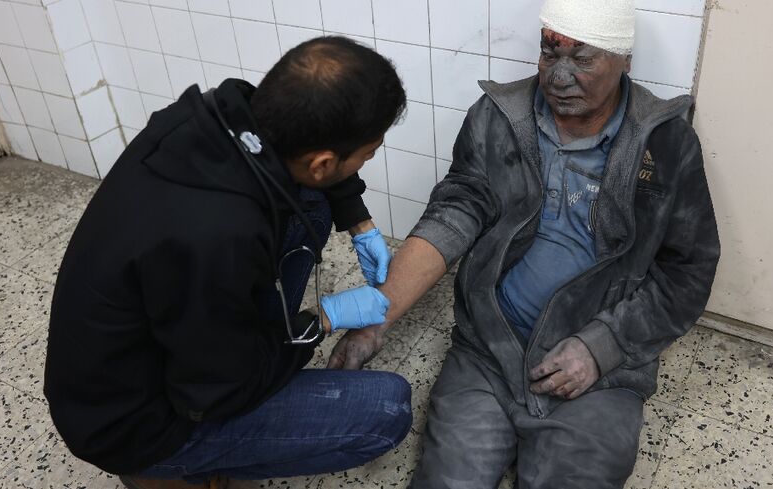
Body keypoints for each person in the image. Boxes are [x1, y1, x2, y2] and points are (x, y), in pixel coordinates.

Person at [325, 0, 721, 487]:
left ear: (625, 61)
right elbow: (455, 213)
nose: (559, 76)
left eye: (583, 58)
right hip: (488, 349)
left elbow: (687, 271)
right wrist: (376, 319)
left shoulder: (665, 144)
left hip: (599, 369)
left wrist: (603, 346)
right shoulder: (498, 118)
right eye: (550, 53)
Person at [44, 37, 410, 489]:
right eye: (367, 154)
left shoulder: (225, 110)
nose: (366, 160)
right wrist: (321, 320)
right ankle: (174, 471)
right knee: (385, 410)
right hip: (134, 420)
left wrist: (358, 220)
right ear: (322, 161)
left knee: (310, 207)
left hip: (165, 331)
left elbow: (314, 167)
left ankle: (258, 338)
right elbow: (215, 390)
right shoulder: (217, 237)